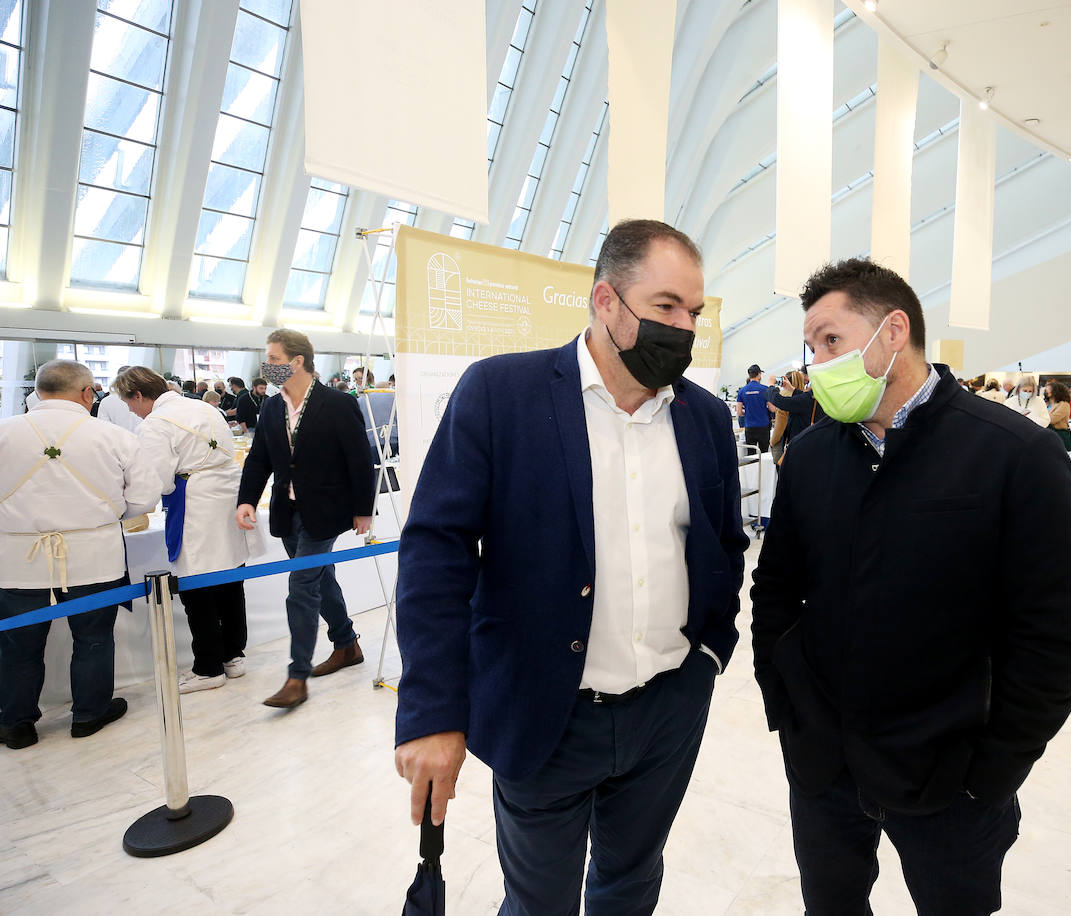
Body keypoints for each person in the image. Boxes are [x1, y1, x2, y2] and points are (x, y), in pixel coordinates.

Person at [393, 220, 746, 915]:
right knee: (538, 901)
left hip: (667, 711)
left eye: (695, 313)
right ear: (605, 301)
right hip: (546, 714)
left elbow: (723, 544)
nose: (685, 328)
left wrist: (708, 656)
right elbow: (437, 548)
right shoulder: (502, 393)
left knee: (631, 880)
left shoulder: (703, 418)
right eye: (667, 307)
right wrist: (432, 709)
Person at [750, 258, 1071, 915]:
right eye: (810, 346)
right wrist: (784, 700)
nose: (817, 362)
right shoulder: (815, 456)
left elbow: (1060, 637)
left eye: (830, 340)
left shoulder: (1013, 456)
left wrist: (993, 771)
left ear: (893, 331)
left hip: (951, 776)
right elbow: (775, 589)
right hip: (823, 762)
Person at [0, 360, 162, 750]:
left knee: (17, 643)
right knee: (93, 636)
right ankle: (88, 714)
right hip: (93, 552)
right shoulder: (113, 436)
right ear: (88, 393)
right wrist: (104, 515)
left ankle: (15, 722)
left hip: (17, 556)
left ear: (37, 392)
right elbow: (144, 498)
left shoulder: (4, 432)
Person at [235, 330, 375, 709]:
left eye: (274, 359)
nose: (268, 366)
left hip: (326, 511)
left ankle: (296, 677)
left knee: (301, 586)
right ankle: (347, 645)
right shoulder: (271, 406)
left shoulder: (337, 403)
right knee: (320, 577)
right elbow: (259, 458)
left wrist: (364, 509)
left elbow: (360, 459)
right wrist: (247, 499)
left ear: (297, 361)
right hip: (287, 510)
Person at [115, 367, 256, 692]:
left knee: (197, 586)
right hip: (227, 493)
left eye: (129, 403)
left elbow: (160, 480)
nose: (131, 411)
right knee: (230, 577)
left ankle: (208, 668)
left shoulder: (154, 423)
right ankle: (233, 656)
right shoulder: (204, 406)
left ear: (138, 394)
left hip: (195, 503)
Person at [767, 369, 823, 465]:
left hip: (798, 447)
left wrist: (770, 386)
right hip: (812, 445)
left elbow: (780, 402)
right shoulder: (819, 398)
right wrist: (791, 389)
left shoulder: (804, 399)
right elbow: (804, 398)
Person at [736, 364, 771, 455]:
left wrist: (747, 413)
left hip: (750, 426)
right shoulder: (765, 389)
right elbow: (772, 408)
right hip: (763, 426)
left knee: (751, 454)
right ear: (759, 374)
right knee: (763, 454)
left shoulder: (742, 391)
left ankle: (753, 469)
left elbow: (739, 412)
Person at [97, 366, 143, 433]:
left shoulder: (106, 401)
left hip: (117, 441)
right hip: (142, 439)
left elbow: (103, 428)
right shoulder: (141, 397)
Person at [1047, 381, 1071, 451]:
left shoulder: (1064, 405)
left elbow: (1052, 419)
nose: (1047, 391)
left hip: (1059, 434)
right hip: (1051, 434)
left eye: (1049, 389)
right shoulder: (1051, 404)